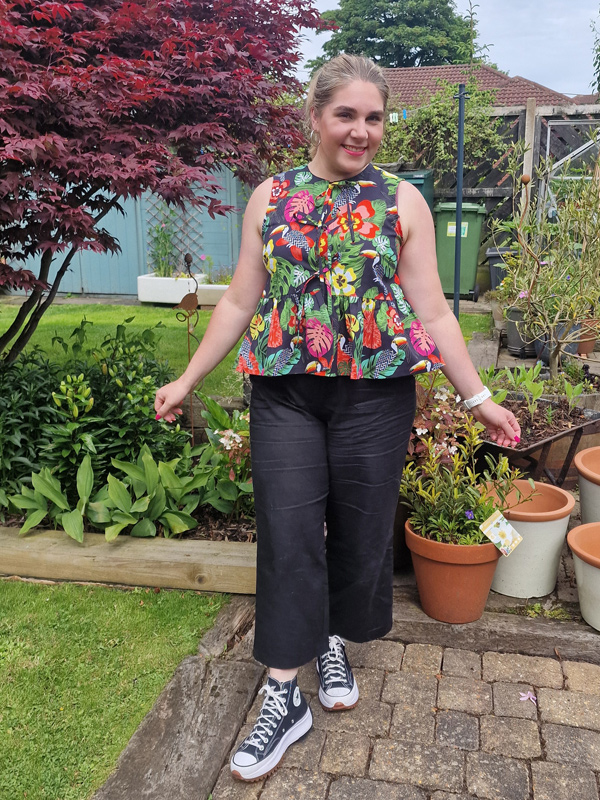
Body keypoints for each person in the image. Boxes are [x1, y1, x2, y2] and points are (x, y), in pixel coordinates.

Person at [154, 54, 521, 783]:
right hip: (285, 392)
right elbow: (240, 299)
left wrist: (478, 398)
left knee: (359, 533)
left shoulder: (403, 203)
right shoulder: (271, 197)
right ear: (316, 117)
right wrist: (188, 378)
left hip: (376, 397)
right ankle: (282, 693)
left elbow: (433, 310)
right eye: (346, 115)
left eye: (374, 118)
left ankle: (328, 639)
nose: (361, 131)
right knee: (288, 532)